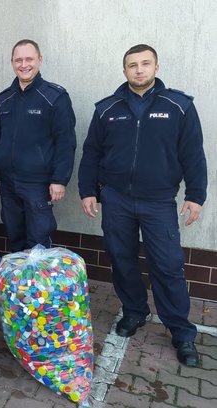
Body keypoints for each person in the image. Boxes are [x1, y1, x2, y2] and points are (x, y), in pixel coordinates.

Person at [78, 44, 207, 367]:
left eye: (145, 64)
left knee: (167, 264)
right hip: (116, 198)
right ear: (124, 71)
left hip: (158, 201)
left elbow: (193, 153)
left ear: (156, 67)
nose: (139, 70)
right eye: (132, 65)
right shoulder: (108, 109)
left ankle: (181, 332)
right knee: (121, 259)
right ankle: (134, 311)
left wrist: (196, 195)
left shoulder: (178, 106)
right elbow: (91, 152)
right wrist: (87, 190)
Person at [0, 39, 77, 252]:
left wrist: (59, 179)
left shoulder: (55, 97)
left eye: (29, 59)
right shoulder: (5, 98)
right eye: (18, 60)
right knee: (14, 235)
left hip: (37, 184)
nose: (24, 64)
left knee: (38, 241)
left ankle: (37, 284)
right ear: (12, 63)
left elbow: (66, 141)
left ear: (40, 60)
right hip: (8, 183)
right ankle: (18, 283)